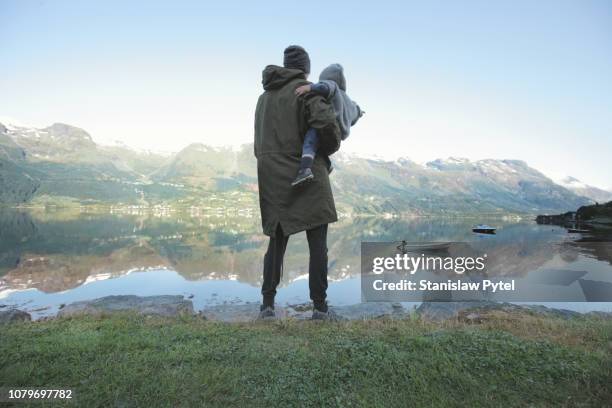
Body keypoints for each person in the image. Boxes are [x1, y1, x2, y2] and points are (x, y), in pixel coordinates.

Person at [254, 45, 342, 320]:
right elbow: (327, 126)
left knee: (276, 242)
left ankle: (267, 305)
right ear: (305, 68)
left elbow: (260, 140)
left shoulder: (263, 98)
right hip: (308, 176)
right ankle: (320, 308)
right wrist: (326, 148)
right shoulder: (307, 91)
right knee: (317, 244)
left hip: (274, 178)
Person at [291, 63, 364, 186]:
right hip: (340, 132)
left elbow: (325, 88)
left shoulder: (332, 86)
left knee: (310, 139)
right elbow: (356, 112)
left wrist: (310, 88)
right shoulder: (350, 101)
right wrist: (360, 113)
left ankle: (305, 170)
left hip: (330, 124)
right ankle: (327, 165)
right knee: (322, 144)